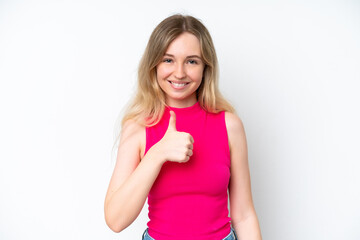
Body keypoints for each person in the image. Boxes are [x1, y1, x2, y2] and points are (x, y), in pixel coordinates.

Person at [104, 14, 262, 240]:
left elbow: (244, 215)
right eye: (168, 60)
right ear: (154, 64)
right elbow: (116, 220)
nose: (179, 73)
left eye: (192, 61)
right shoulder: (137, 128)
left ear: (205, 67)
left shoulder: (230, 126)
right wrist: (157, 154)